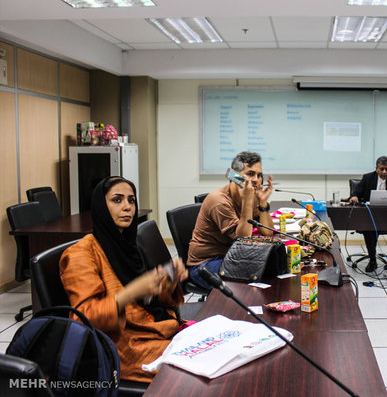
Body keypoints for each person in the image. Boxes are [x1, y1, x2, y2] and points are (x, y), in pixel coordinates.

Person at [60, 176, 187, 383]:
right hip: (126, 346)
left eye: (131, 200)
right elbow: (83, 318)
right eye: (117, 200)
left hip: (157, 330)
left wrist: (168, 284)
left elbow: (149, 302)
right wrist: (132, 291)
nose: (127, 207)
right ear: (101, 206)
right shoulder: (81, 253)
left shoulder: (130, 246)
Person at [187, 151, 274, 289]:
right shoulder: (219, 201)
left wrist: (263, 204)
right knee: (256, 276)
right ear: (235, 176)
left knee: (270, 266)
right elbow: (243, 240)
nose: (257, 180)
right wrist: (247, 201)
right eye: (251, 174)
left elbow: (267, 232)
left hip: (230, 256)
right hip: (205, 265)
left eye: (259, 175)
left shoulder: (250, 196)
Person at [349, 155, 387, 273]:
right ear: (376, 168)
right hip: (371, 217)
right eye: (382, 169)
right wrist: (354, 196)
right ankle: (372, 260)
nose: (385, 172)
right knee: (369, 229)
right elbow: (356, 192)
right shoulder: (368, 177)